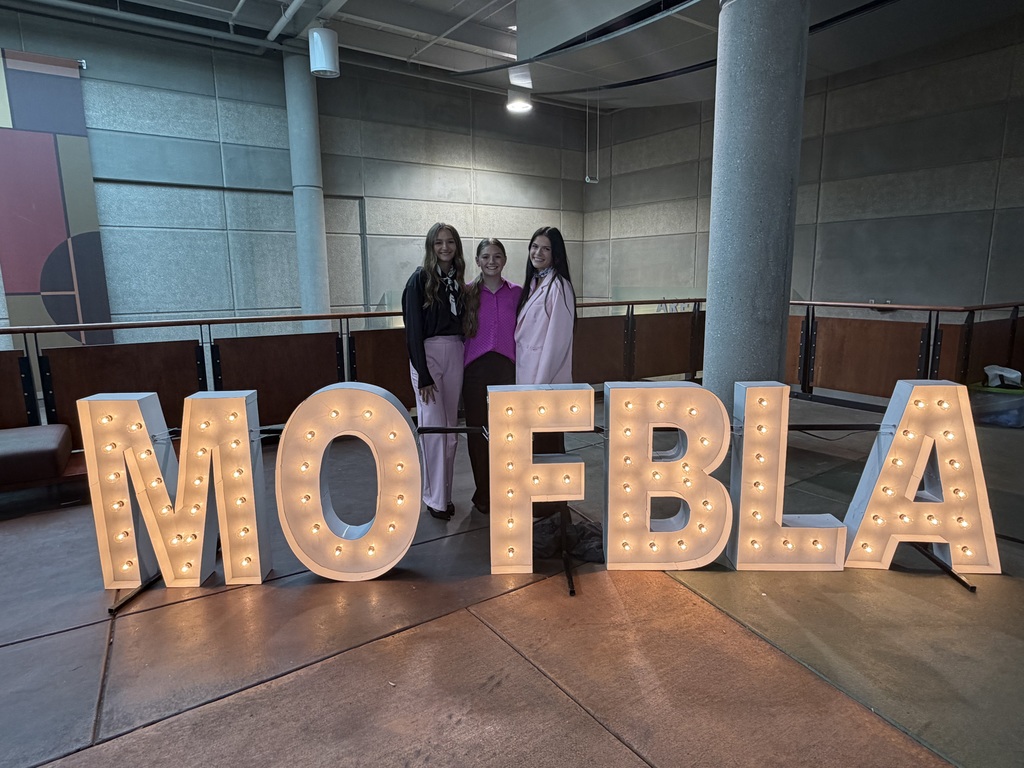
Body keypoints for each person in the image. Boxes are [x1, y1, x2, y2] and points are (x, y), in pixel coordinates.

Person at [402, 222, 466, 521]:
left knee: (451, 433)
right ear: (431, 246)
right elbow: (413, 330)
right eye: (439, 242)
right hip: (427, 357)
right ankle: (434, 498)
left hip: (455, 351)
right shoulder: (419, 280)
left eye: (450, 242)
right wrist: (423, 373)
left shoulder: (458, 281)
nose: (445, 247)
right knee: (434, 431)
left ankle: (445, 493)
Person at [514, 226, 576, 516]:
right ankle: (538, 504)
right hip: (527, 377)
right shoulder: (533, 284)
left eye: (545, 248)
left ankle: (552, 508)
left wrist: (539, 387)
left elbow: (557, 342)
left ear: (556, 254)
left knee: (549, 445)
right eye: (534, 247)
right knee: (533, 447)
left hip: (545, 381)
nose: (537, 253)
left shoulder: (559, 286)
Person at [462, 238, 522, 515]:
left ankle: (507, 489)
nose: (491, 261)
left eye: (497, 256)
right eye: (486, 256)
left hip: (507, 368)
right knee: (478, 432)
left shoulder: (517, 293)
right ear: (477, 261)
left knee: (507, 433)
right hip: (475, 369)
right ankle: (484, 493)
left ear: (505, 260)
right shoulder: (467, 293)